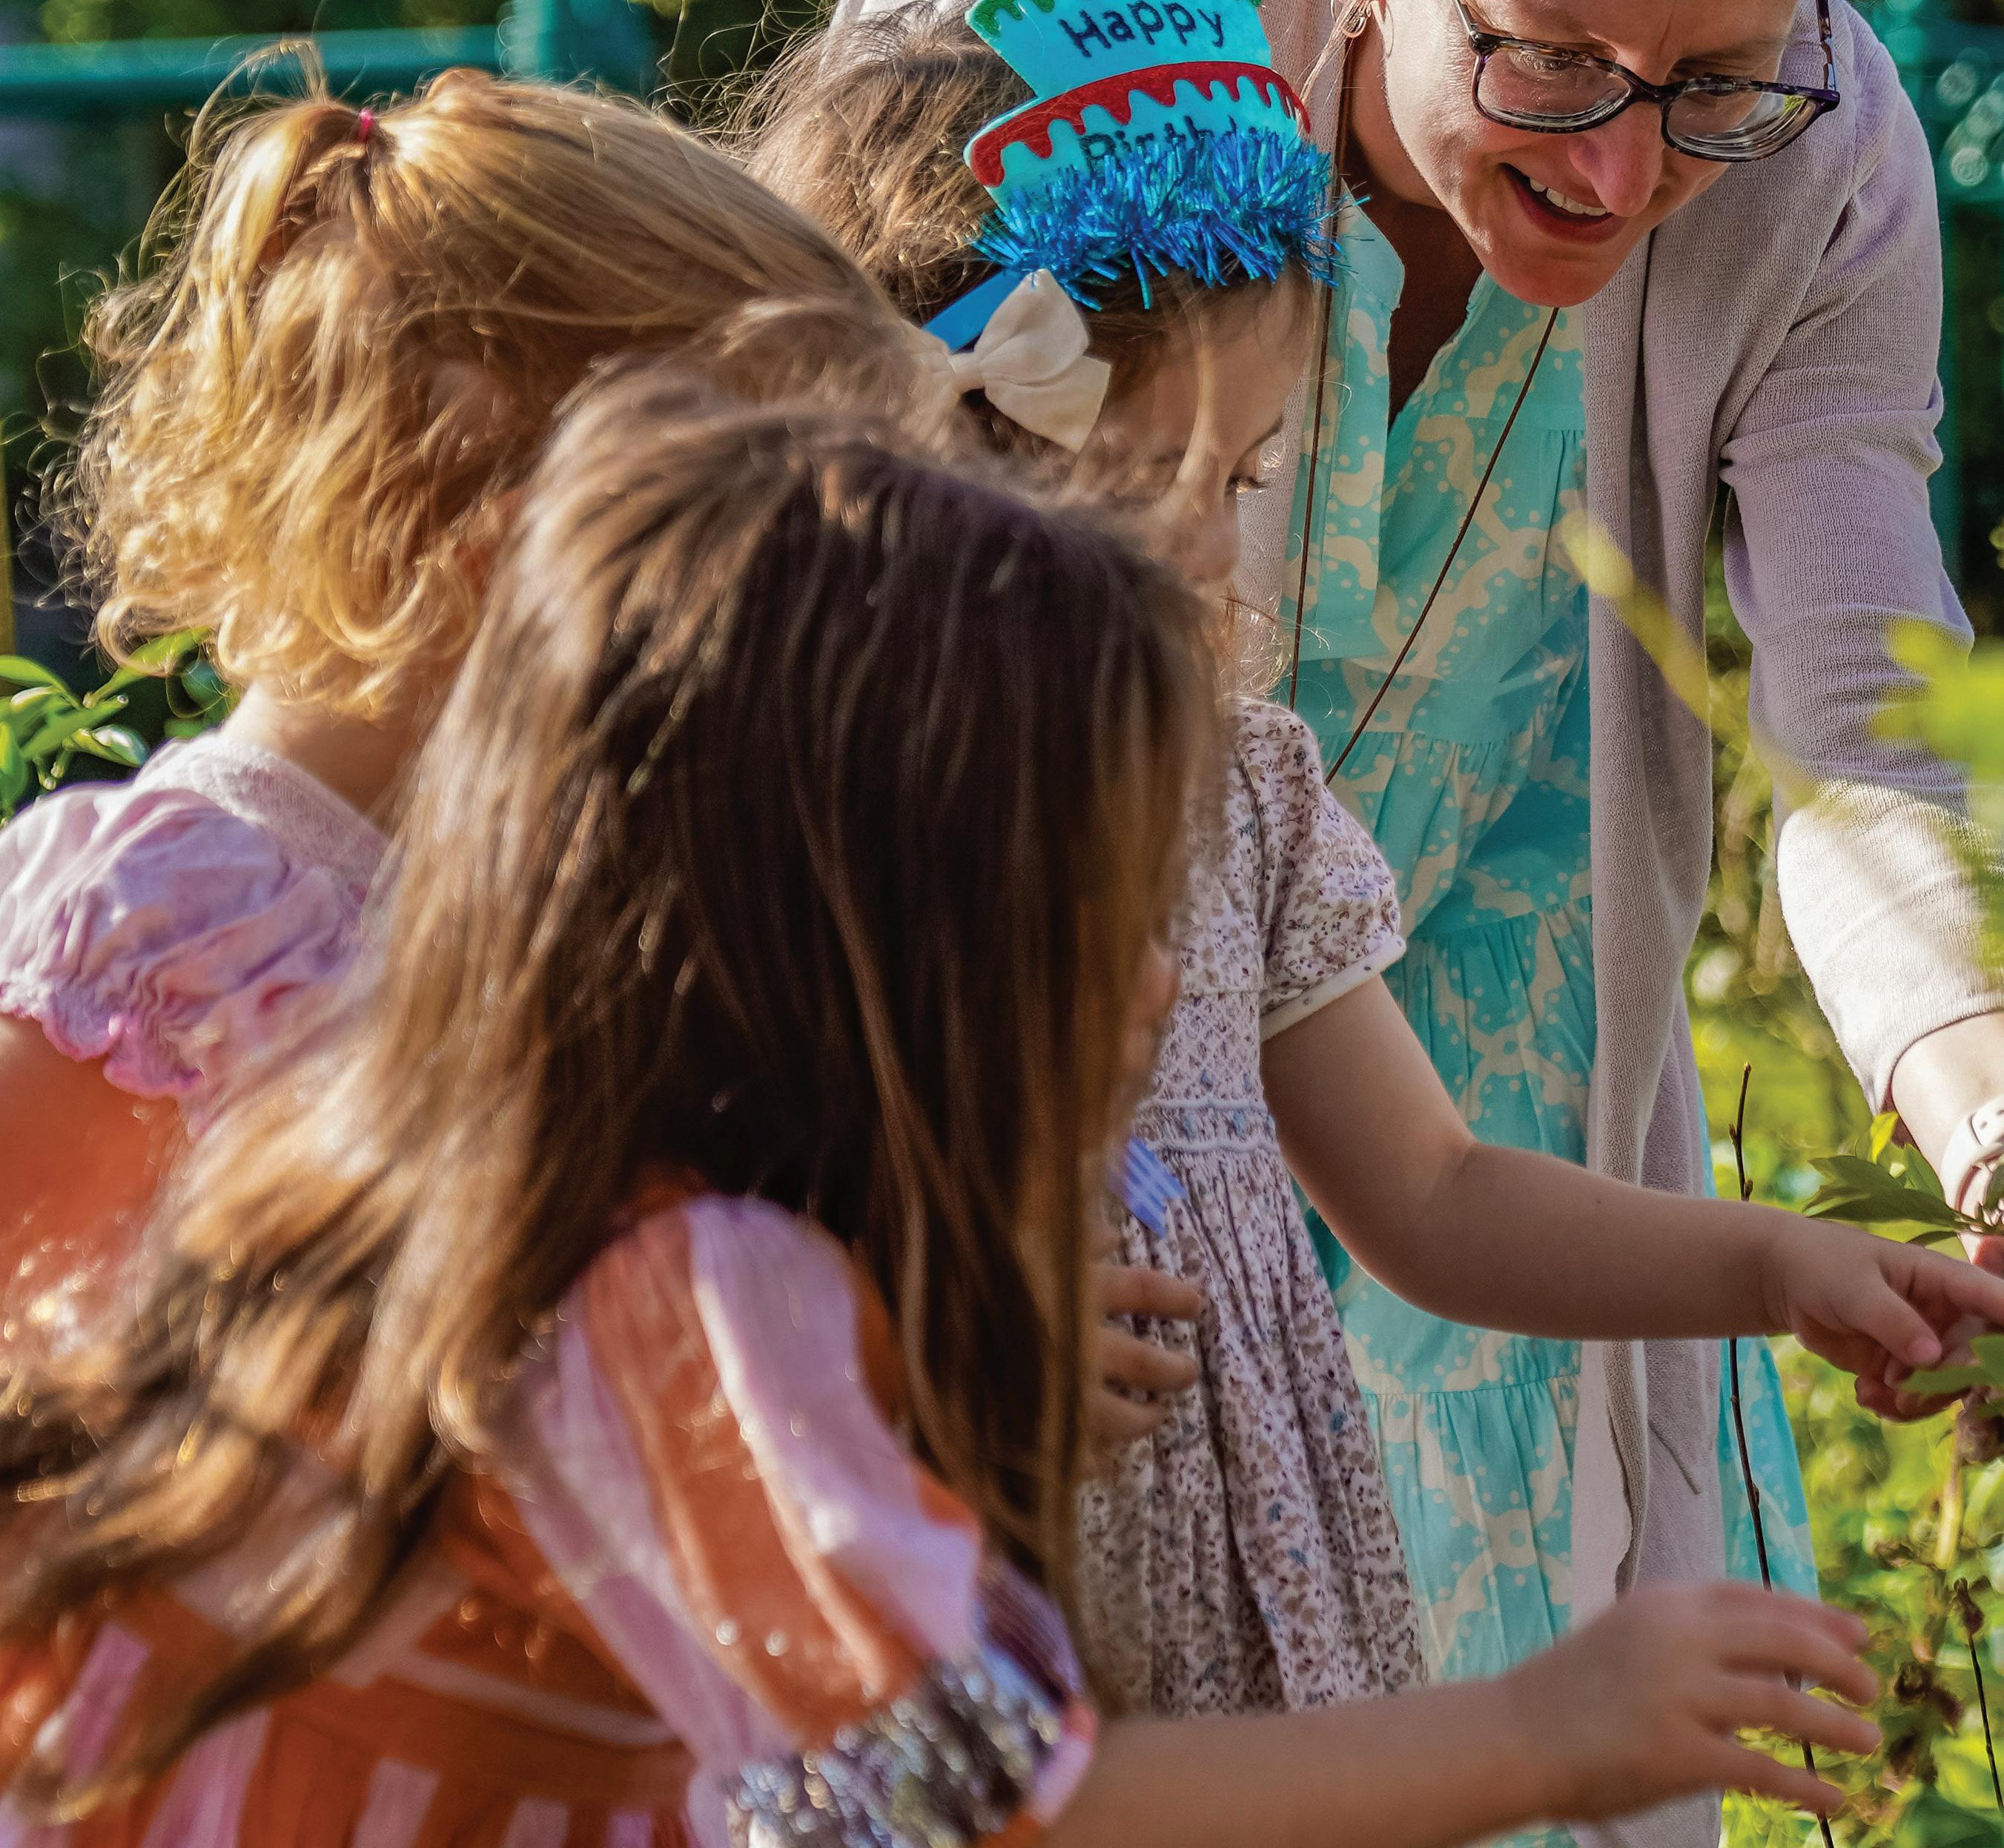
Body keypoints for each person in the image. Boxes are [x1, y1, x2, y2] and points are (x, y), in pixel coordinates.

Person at [0, 368, 1910, 1845]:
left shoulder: (542, 1167)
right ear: (887, 933)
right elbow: (986, 1808)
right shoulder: (693, 1279)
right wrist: (1545, 1726)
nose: (1157, 984)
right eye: (1104, 910)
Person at [835, 0, 2004, 1818]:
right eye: (1551, 59)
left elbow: (1866, 717)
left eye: (1709, 87)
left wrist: (1984, 1106)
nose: (1622, 169)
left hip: (1482, 1086)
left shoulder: (1818, 144)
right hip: (1022, 1116)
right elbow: (814, 628)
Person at [0, 56, 918, 1281]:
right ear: (518, 553)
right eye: (769, 561)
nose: (815, 634)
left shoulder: (551, 880)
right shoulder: (170, 926)